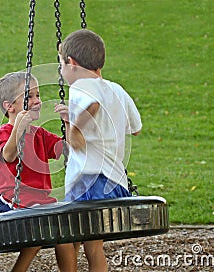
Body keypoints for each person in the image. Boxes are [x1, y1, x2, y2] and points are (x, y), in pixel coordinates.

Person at [58, 29, 142, 272]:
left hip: (89, 181)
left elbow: (92, 105)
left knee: (65, 238)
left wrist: (75, 131)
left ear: (71, 64)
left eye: (61, 64)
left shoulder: (81, 85)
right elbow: (134, 128)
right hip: (114, 183)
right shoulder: (116, 89)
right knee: (93, 246)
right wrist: (71, 119)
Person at [0, 72, 76, 272]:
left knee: (65, 236)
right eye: (29, 96)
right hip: (11, 202)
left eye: (38, 95)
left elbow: (66, 150)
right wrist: (19, 127)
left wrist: (68, 123)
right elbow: (9, 155)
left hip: (39, 202)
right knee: (36, 233)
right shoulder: (5, 132)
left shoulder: (40, 134)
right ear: (9, 106)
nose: (37, 101)